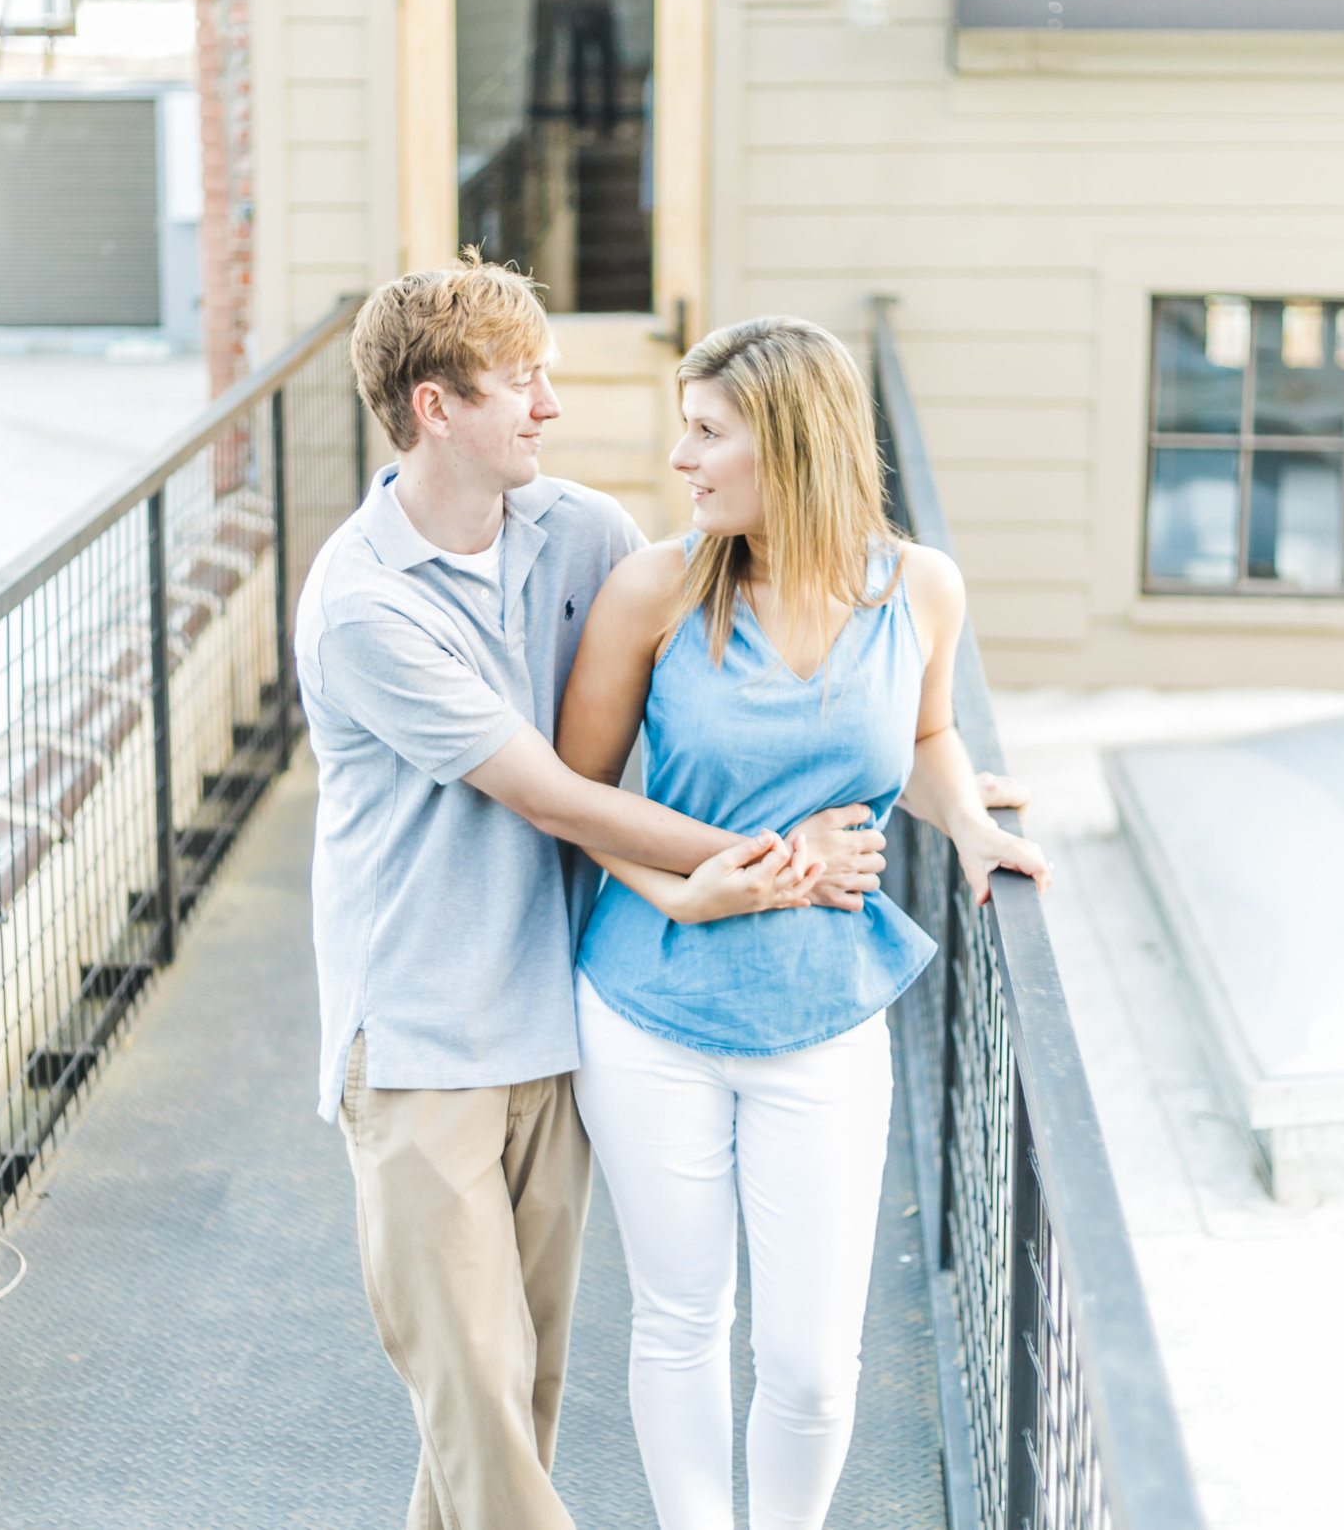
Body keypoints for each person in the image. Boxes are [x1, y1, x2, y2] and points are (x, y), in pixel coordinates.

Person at [294, 259, 894, 1530]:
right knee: (475, 1395)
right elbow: (558, 792)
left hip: (551, 1021)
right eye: (522, 383)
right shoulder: (362, 604)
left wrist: (943, 773)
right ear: (432, 407)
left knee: (518, 1395)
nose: (551, 406)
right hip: (420, 1044)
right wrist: (773, 860)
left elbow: (690, 700)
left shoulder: (580, 533)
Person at [556, 316, 1049, 1530]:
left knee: (816, 1362)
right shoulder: (653, 589)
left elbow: (926, 738)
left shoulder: (918, 588)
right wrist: (693, 885)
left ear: (790, 444)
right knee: (680, 1316)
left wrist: (968, 824)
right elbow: (577, 798)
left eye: (708, 431)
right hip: (648, 1003)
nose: (681, 457)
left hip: (825, 1009)